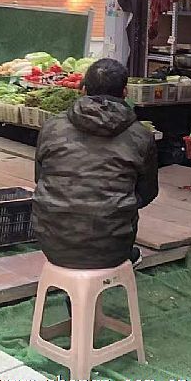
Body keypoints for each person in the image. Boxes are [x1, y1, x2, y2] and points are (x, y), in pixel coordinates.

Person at [33, 58, 158, 271]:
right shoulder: (141, 135)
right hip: (112, 248)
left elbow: (40, 178)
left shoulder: (52, 126)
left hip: (51, 242)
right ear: (125, 92)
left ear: (83, 90)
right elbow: (147, 193)